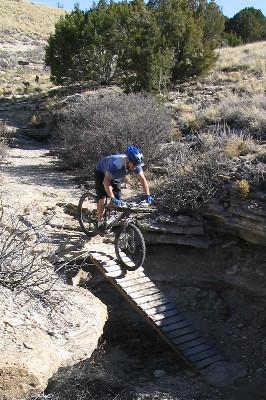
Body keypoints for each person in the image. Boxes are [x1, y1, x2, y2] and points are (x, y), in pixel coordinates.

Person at [95, 145, 153, 229]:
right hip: (101, 172)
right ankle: (99, 222)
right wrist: (112, 197)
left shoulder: (136, 164)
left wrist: (147, 195)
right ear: (128, 160)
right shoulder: (116, 164)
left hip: (114, 175)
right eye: (134, 164)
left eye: (137, 165)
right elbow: (106, 181)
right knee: (102, 198)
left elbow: (143, 179)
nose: (135, 167)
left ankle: (109, 216)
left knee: (118, 199)